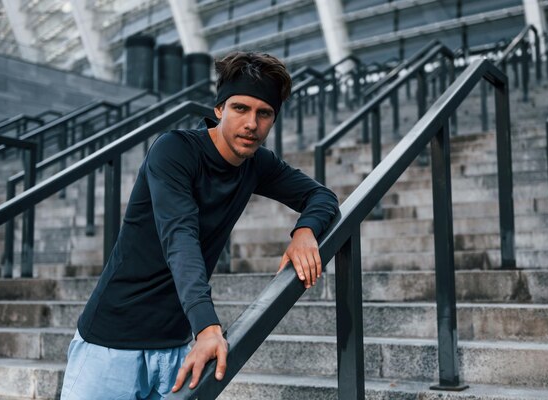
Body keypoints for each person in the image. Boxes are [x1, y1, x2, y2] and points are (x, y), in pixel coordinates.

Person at [59, 51, 339, 399]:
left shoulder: (256, 164)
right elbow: (180, 237)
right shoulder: (174, 150)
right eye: (240, 108)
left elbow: (322, 196)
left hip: (176, 346)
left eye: (264, 113)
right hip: (111, 344)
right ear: (219, 109)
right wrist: (207, 327)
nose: (251, 123)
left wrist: (305, 231)